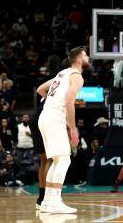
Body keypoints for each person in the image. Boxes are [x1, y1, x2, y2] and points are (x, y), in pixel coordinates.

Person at [37, 46, 89, 214]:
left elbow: (40, 89)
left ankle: (47, 201)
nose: (88, 57)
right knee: (64, 160)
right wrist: (73, 128)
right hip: (53, 119)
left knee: (57, 160)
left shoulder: (62, 73)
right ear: (79, 60)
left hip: (45, 116)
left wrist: (52, 103)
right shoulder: (77, 76)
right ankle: (55, 201)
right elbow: (68, 102)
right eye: (86, 55)